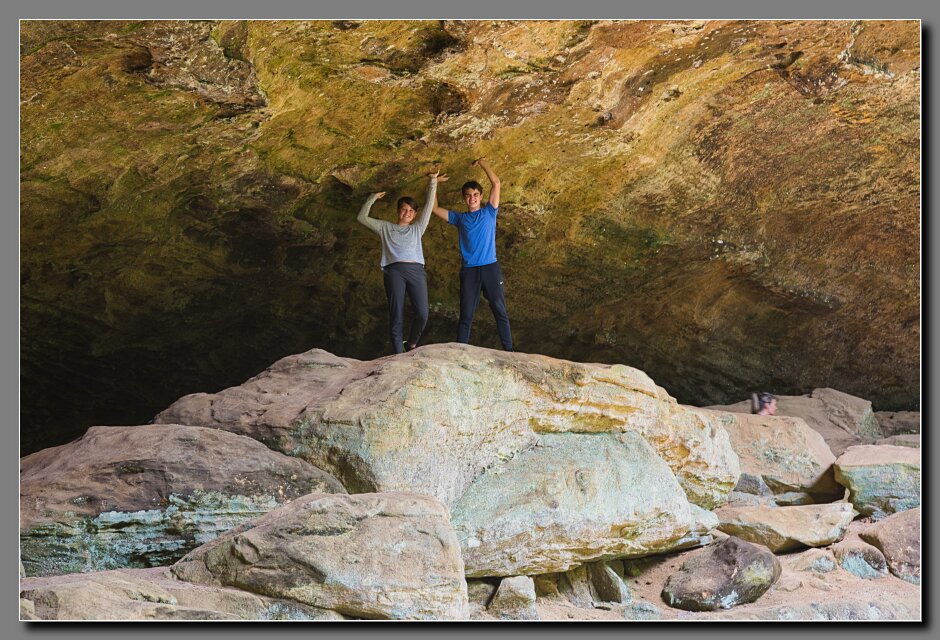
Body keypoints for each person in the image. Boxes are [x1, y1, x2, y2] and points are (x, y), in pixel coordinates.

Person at [431, 157, 513, 351]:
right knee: (466, 314)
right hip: (469, 271)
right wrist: (433, 182)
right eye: (468, 195)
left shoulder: (489, 212)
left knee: (499, 309)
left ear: (481, 195)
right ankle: (461, 352)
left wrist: (483, 163)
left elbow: (496, 183)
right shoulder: (460, 218)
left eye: (475, 194)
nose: (472, 198)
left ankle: (509, 351)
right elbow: (434, 209)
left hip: (490, 267)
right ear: (464, 198)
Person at [357, 172, 441, 354]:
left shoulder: (417, 228)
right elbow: (362, 218)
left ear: (414, 214)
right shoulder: (385, 227)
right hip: (394, 271)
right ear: (398, 210)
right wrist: (372, 198)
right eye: (404, 209)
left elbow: (428, 208)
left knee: (423, 313)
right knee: (397, 315)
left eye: (411, 211)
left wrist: (433, 182)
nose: (407, 213)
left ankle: (411, 343)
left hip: (416, 270)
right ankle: (399, 355)